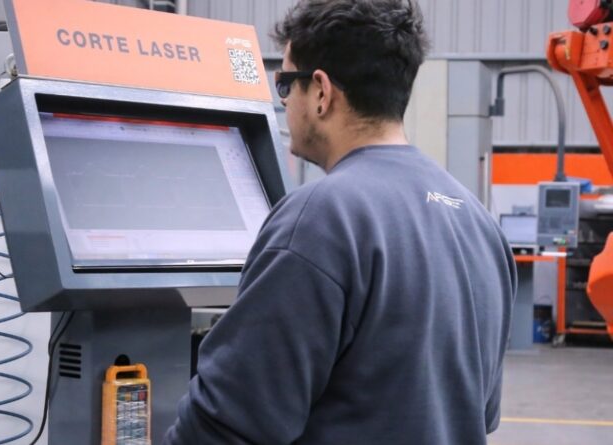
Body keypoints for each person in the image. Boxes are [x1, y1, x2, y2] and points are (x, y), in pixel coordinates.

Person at [163, 0, 516, 444]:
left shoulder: (320, 220)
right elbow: (477, 413)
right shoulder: (479, 223)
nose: (285, 101)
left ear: (321, 92)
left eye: (285, 85)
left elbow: (227, 421)